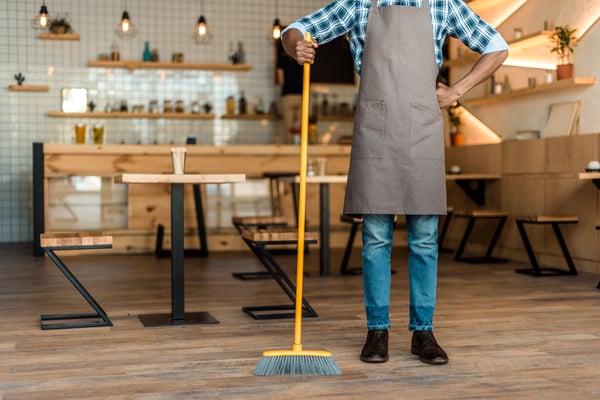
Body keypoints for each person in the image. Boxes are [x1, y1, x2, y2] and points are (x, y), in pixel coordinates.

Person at [281, 0, 508, 365]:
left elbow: (497, 46)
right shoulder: (358, 4)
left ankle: (423, 333)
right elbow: (296, 29)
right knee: (376, 239)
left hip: (422, 128)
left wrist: (456, 91)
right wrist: (296, 47)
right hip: (376, 129)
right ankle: (377, 331)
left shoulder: (442, 4)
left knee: (424, 239)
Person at [276, 44, 304, 144]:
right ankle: (301, 154)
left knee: (289, 130)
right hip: (302, 96)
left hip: (287, 96)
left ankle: (289, 156)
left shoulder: (282, 60)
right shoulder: (302, 58)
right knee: (301, 129)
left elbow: (280, 80)